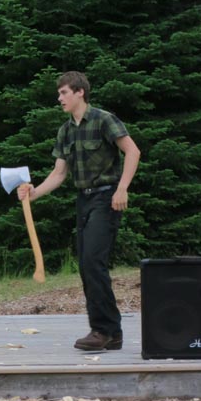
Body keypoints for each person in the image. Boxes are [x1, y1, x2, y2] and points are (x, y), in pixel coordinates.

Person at [18, 71, 141, 351]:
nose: (59, 98)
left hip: (107, 198)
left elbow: (132, 152)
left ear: (79, 93)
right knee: (87, 267)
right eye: (59, 93)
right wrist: (33, 193)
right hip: (83, 201)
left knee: (92, 263)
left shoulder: (103, 119)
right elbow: (59, 173)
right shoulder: (65, 131)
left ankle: (102, 330)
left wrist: (122, 189)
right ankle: (112, 332)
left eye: (63, 93)